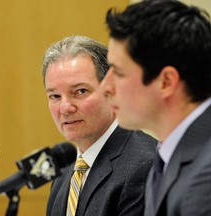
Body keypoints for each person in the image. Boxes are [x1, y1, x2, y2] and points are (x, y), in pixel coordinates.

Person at [102, 0, 211, 215]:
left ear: (166, 82)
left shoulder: (205, 178)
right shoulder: (166, 155)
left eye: (119, 73)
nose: (105, 86)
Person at [42, 35, 157, 216]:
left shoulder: (144, 165)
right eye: (55, 96)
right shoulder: (65, 170)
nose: (65, 108)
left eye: (80, 91)